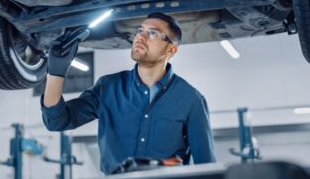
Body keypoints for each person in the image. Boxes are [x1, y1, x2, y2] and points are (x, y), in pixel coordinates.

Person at [41, 12, 216, 174]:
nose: (140, 36)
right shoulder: (108, 87)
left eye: (153, 33)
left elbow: (207, 167)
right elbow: (57, 121)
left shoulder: (191, 100)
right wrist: (56, 72)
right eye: (140, 30)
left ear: (171, 49)